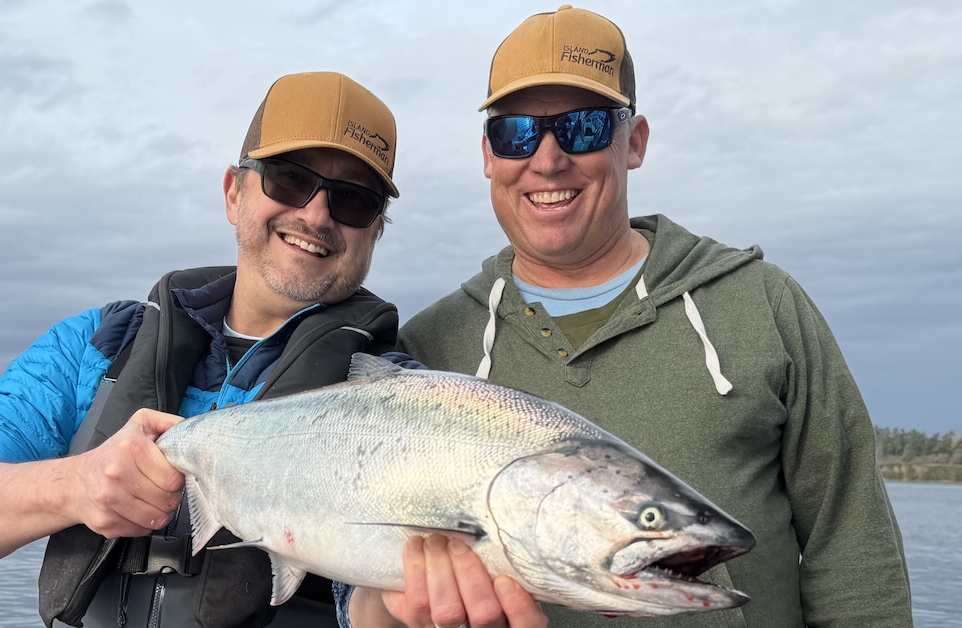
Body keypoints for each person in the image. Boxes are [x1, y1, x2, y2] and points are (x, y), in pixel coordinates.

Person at [345, 5, 913, 628]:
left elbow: (853, 547)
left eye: (584, 127)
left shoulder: (765, 306)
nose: (548, 158)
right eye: (518, 131)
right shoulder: (422, 352)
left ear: (634, 141)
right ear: (489, 154)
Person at [0, 71, 408, 628]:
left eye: (353, 200)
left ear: (377, 229)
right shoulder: (97, 344)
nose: (315, 214)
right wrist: (76, 484)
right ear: (234, 192)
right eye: (288, 180)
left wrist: (415, 600)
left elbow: (370, 607)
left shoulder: (399, 399)